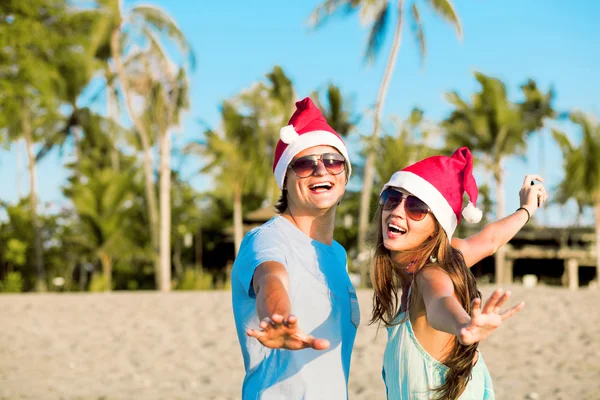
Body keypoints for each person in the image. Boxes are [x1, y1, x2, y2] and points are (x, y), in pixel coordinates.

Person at [371, 147, 548, 399]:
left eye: (416, 207)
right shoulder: (451, 255)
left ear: (437, 228)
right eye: (392, 197)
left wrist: (463, 324)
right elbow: (490, 240)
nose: (397, 211)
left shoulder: (428, 275)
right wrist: (526, 209)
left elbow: (440, 299)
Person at [231, 97, 359, 399]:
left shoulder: (337, 254)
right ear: (285, 181)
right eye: (304, 164)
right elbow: (270, 280)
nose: (321, 170)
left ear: (345, 175)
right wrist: (277, 317)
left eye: (332, 161)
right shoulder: (268, 238)